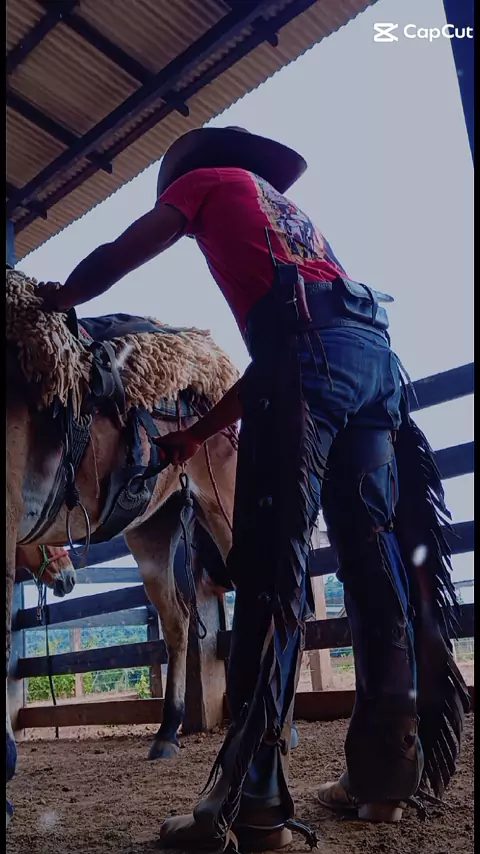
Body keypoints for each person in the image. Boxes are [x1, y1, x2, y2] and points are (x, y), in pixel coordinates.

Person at [40, 127, 468, 853]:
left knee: (271, 569)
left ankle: (252, 806)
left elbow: (123, 252)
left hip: (306, 365)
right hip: (373, 368)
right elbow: (289, 355)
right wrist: (195, 435)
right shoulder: (299, 231)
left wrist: (64, 296)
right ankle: (386, 776)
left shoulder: (205, 184)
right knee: (374, 569)